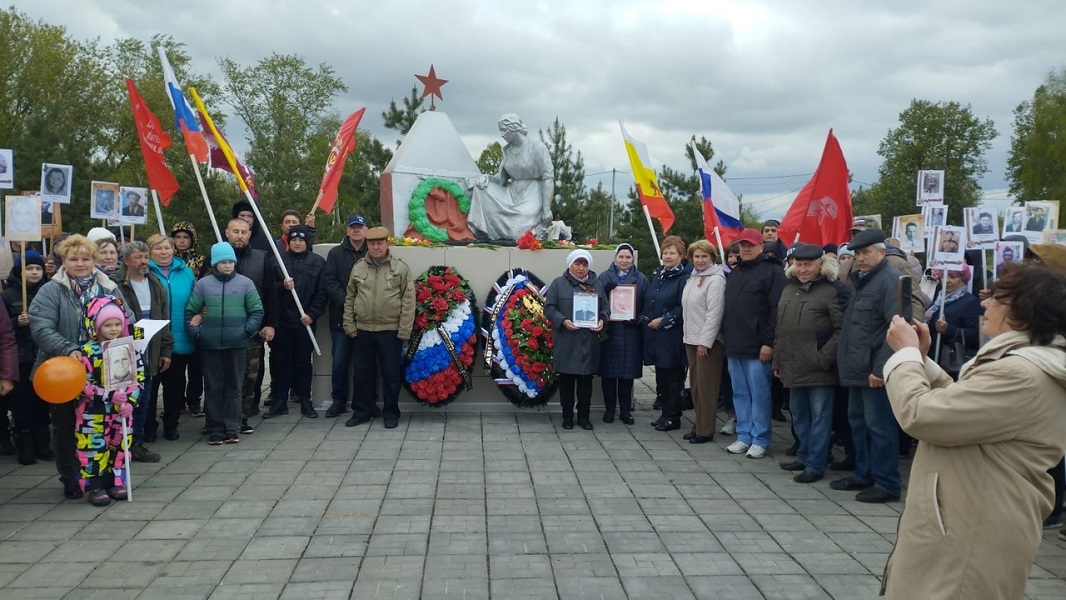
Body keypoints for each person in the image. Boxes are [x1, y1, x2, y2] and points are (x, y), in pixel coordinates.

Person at [880, 263, 1066, 598]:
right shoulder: (1026, 365)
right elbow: (965, 407)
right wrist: (921, 358)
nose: (984, 304)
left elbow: (921, 415)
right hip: (976, 518)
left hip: (971, 530)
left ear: (1020, 310)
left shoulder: (1020, 373)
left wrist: (905, 356)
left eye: (994, 297)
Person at [29, 234, 133, 500]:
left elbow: (128, 319)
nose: (80, 263)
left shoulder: (108, 286)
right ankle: (72, 477)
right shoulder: (51, 290)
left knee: (100, 426)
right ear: (63, 260)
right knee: (66, 425)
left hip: (102, 370)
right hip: (64, 370)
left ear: (94, 260)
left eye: (85, 259)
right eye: (73, 259)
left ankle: (106, 477)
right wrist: (69, 349)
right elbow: (41, 327)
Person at [832, 229, 903, 503]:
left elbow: (896, 327)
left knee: (880, 427)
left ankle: (886, 482)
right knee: (858, 424)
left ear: (882, 253)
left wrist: (881, 368)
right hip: (857, 369)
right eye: (857, 253)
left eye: (866, 253)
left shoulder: (891, 281)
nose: (860, 258)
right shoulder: (863, 280)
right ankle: (864, 474)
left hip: (875, 371)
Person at [774, 244, 846, 483]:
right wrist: (778, 359)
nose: (803, 269)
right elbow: (781, 330)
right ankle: (803, 456)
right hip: (792, 365)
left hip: (819, 369)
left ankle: (816, 464)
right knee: (800, 416)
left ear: (820, 265)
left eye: (808, 265)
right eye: (798, 264)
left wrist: (823, 357)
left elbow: (841, 329)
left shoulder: (832, 290)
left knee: (819, 419)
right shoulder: (789, 289)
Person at [186, 243, 264, 445]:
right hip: (209, 344)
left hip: (236, 344)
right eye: (223, 262)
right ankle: (214, 428)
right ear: (215, 264)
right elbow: (190, 311)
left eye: (230, 261)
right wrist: (197, 334)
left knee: (234, 386)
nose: (227, 265)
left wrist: (245, 331)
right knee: (213, 387)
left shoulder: (245, 283)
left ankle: (232, 427)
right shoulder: (203, 284)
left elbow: (257, 311)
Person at [721, 229, 787, 459]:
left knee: (759, 395)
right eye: (742, 245)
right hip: (735, 345)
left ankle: (760, 438)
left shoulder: (773, 272)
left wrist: (768, 343)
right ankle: (744, 435)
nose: (746, 249)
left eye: (751, 245)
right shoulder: (735, 273)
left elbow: (776, 310)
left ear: (761, 246)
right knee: (739, 393)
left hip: (758, 347)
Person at [342, 227, 414, 429]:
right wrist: (349, 324)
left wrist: (404, 330)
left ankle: (391, 413)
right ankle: (362, 411)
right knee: (362, 373)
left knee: (391, 374)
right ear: (367, 245)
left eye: (379, 243)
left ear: (387, 244)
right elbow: (350, 298)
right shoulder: (358, 268)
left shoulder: (400, 268)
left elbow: (408, 301)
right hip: (363, 329)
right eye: (372, 244)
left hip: (390, 330)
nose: (375, 247)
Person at [75, 296, 144, 506]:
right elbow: (82, 384)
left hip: (121, 411)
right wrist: (107, 395)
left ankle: (116, 482)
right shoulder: (87, 352)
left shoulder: (129, 348)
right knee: (94, 450)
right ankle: (95, 486)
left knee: (119, 447)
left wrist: (131, 401)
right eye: (107, 325)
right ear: (96, 326)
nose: (113, 329)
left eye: (117, 324)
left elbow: (138, 378)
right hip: (93, 412)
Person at [112, 241, 173, 463]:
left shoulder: (155, 284)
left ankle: (136, 442)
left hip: (151, 349)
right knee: (123, 400)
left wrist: (166, 350)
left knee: (144, 398)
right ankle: (118, 443)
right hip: (124, 348)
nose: (143, 261)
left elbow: (165, 320)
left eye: (146, 256)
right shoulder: (115, 284)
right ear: (126, 260)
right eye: (138, 257)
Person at [263, 225, 326, 420]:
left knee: (303, 363)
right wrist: (282, 286)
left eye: (301, 240)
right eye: (293, 240)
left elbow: (322, 292)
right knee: (281, 362)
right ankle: (280, 401)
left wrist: (312, 314)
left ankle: (305, 401)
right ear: (288, 242)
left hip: (304, 322)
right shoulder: (276, 262)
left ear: (307, 242)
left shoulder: (317, 263)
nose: (297, 243)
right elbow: (266, 290)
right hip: (281, 322)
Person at [225, 218, 279, 432]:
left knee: (250, 377)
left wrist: (271, 324)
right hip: (222, 328)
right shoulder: (216, 256)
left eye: (244, 232)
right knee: (224, 377)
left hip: (253, 327)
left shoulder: (261, 258)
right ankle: (220, 419)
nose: (240, 235)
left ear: (250, 234)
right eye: (235, 231)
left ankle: (243, 416)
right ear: (227, 232)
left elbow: (270, 293)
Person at [545, 249, 608, 431]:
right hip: (566, 341)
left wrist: (602, 320)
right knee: (566, 382)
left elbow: (605, 307)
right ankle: (567, 416)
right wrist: (563, 321)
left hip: (588, 343)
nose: (581, 268)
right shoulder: (558, 284)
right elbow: (549, 308)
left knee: (585, 384)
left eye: (584, 264)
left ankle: (584, 417)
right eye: (577, 264)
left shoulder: (596, 284)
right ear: (570, 265)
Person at [1, 252, 54, 465]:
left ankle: (43, 445)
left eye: (38, 269)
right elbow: (4, 329)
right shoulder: (8, 295)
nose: (34, 272)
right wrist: (17, 321)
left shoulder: (47, 292)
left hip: (42, 356)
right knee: (22, 405)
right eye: (29, 268)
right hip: (20, 359)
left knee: (42, 404)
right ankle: (25, 448)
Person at [466, 114, 553, 241]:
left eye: (504, 130)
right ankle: (482, 232)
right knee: (481, 189)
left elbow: (548, 178)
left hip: (532, 194)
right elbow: (501, 180)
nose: (502, 135)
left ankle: (549, 228)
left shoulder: (537, 147)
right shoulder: (507, 150)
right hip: (510, 194)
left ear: (514, 128)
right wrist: (486, 178)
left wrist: (546, 209)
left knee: (516, 233)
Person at [146, 234, 197, 439]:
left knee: (175, 387)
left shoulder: (186, 272)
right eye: (158, 249)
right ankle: (148, 426)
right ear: (150, 252)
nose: (164, 252)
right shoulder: (145, 273)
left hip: (180, 337)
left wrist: (199, 315)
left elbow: (196, 299)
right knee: (150, 387)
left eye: (167, 248)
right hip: (152, 339)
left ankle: (171, 424)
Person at [323, 215, 370, 418]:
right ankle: (338, 401)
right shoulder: (335, 253)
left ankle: (366, 402)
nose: (356, 230)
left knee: (366, 363)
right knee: (340, 362)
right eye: (353, 227)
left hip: (368, 319)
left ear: (366, 230)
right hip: (340, 316)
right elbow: (329, 281)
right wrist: (349, 303)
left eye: (360, 227)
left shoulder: (374, 252)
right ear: (347, 230)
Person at [680, 240, 726, 444]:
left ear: (712, 258)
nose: (699, 260)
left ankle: (706, 430)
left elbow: (714, 314)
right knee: (696, 386)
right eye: (696, 256)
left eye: (704, 257)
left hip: (707, 342)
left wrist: (705, 342)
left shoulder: (716, 280)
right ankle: (699, 423)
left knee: (707, 387)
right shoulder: (693, 277)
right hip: (690, 338)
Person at [642, 235, 690, 432]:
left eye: (672, 253)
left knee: (673, 378)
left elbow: (683, 307)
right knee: (661, 377)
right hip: (656, 336)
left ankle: (673, 417)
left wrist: (664, 320)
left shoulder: (684, 278)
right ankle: (665, 414)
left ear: (681, 256)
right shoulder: (659, 275)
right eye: (665, 252)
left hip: (673, 337)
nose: (668, 256)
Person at [597, 243, 647, 425]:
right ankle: (609, 410)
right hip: (609, 333)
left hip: (631, 333)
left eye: (628, 257)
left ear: (633, 259)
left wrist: (638, 318)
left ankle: (625, 411)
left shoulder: (641, 279)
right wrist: (605, 292)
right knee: (608, 376)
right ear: (615, 258)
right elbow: (595, 302)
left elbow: (647, 305)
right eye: (621, 257)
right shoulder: (604, 277)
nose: (624, 261)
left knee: (627, 376)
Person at [171, 221, 207, 415]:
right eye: (178, 237)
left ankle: (194, 399)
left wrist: (202, 311)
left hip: (195, 314)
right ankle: (176, 401)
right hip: (175, 314)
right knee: (176, 363)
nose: (182, 241)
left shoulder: (201, 261)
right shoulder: (169, 260)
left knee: (196, 363)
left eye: (185, 237)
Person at [924, 264, 983, 379]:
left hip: (951, 365)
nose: (947, 281)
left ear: (963, 280)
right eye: (944, 276)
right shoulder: (938, 300)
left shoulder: (971, 303)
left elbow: (976, 335)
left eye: (952, 277)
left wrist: (949, 330)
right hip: (932, 359)